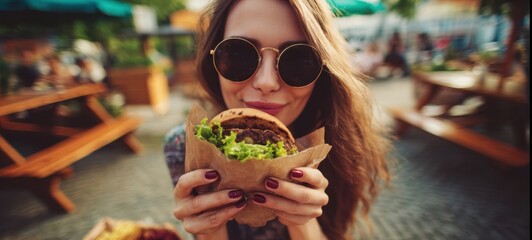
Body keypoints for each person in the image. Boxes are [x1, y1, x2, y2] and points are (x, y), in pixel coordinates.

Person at [164, 1, 391, 239]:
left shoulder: (342, 148)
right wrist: (209, 229)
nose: (266, 82)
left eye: (298, 60)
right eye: (239, 54)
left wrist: (302, 222)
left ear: (324, 71)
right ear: (213, 60)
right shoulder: (185, 146)